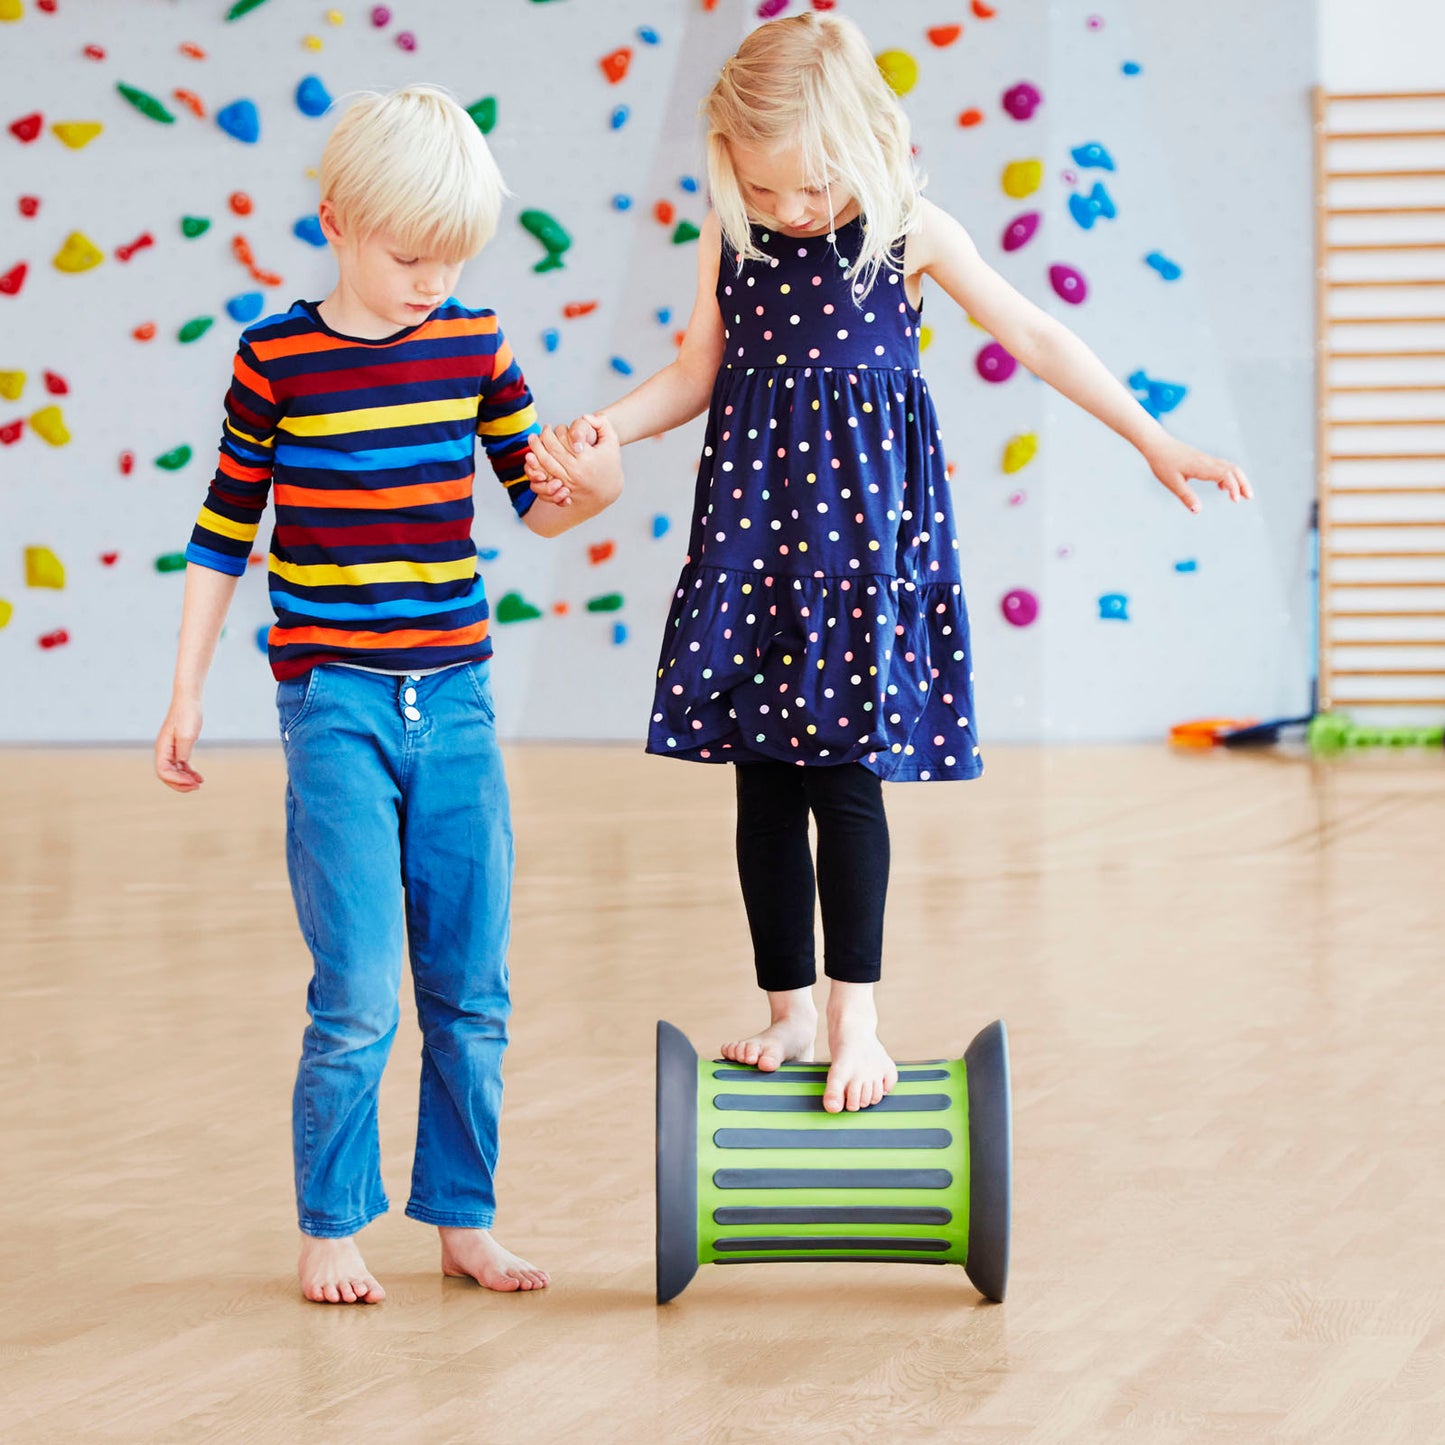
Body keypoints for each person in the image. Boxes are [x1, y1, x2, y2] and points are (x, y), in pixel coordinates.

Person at [524, 14, 1251, 1113]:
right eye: (762, 190)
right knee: (760, 781)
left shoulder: (910, 233)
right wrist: (607, 431)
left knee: (841, 780)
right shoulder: (735, 231)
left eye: (805, 190)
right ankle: (787, 1008)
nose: (787, 212)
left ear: (866, 143)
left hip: (858, 552)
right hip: (754, 537)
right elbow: (691, 373)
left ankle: (854, 1013)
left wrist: (1150, 434)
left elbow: (1037, 335)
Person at [154, 85, 621, 1304]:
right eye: (410, 254)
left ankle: (463, 1215)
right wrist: (187, 690)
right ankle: (330, 1222)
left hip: (455, 702)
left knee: (472, 985)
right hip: (336, 704)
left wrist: (596, 486)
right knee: (358, 986)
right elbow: (222, 531)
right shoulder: (276, 358)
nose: (432, 279)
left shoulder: (475, 344)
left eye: (453, 255)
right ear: (338, 224)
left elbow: (540, 500)